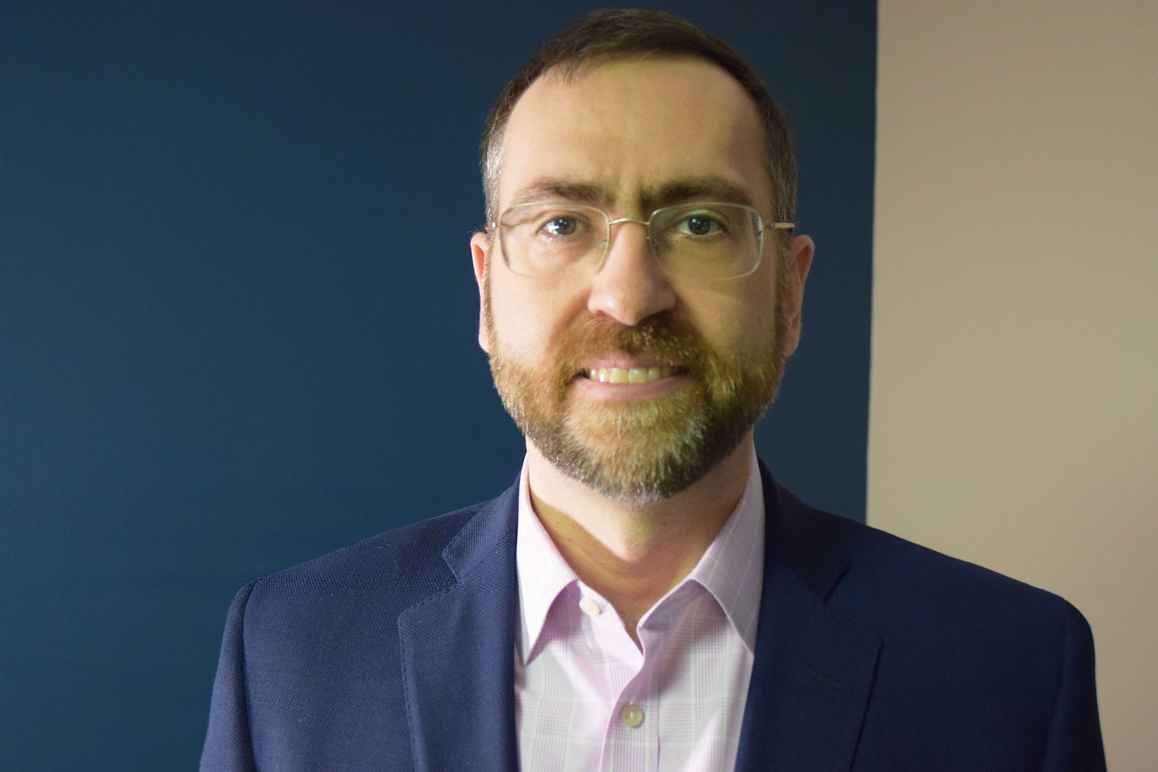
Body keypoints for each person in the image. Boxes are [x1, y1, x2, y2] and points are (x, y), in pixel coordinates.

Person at [200, 9, 1106, 771]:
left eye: (701, 222)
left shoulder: (1011, 672)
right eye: (562, 222)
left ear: (789, 293)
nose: (629, 293)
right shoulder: (292, 654)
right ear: (486, 288)